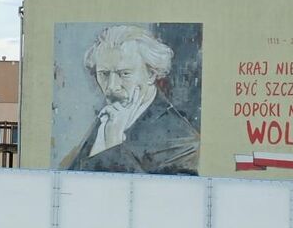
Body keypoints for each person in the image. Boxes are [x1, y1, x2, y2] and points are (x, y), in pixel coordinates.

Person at [60, 25, 200, 175]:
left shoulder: (183, 140)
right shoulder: (110, 117)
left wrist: (114, 144)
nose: (112, 87)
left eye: (124, 73)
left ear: (151, 74)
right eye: (104, 74)